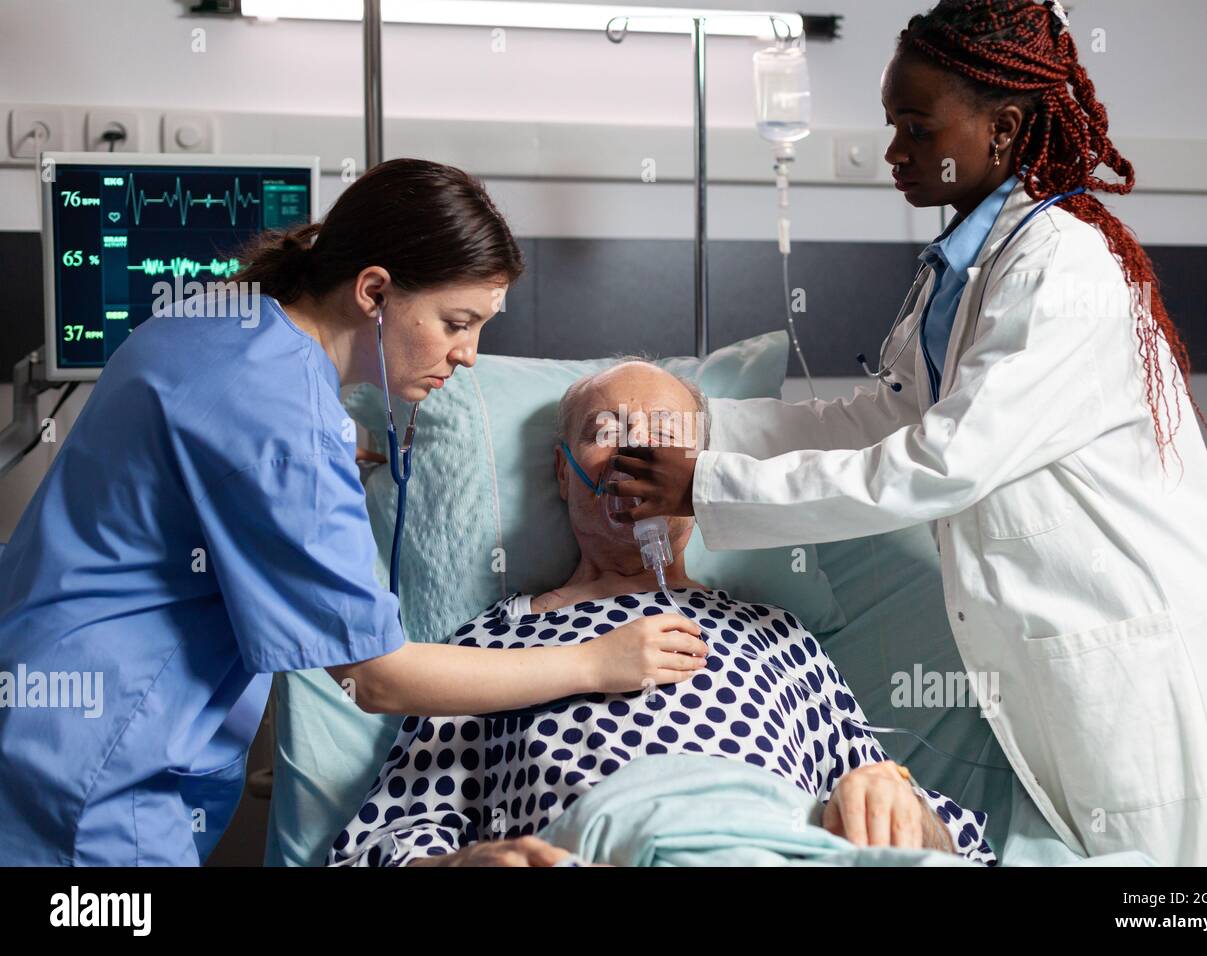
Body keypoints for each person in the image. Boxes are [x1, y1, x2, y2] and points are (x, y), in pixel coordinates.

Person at [604, 0, 1207, 865]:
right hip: (1068, 655)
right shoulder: (962, 271)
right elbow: (877, 419)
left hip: (1137, 646)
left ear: (1002, 129)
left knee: (1181, 898)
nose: (893, 151)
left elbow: (940, 463)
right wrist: (702, 424)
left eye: (916, 128)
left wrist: (704, 487)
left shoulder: (1062, 269)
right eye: (892, 124)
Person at [0, 159, 699, 866]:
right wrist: (594, 662)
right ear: (374, 292)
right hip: (94, 786)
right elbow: (375, 677)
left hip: (39, 721)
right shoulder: (287, 426)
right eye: (457, 322)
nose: (469, 356)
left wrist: (317, 465)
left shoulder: (215, 330)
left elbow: (226, 459)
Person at [328, 361, 995, 867]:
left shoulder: (777, 636)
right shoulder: (489, 645)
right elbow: (390, 834)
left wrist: (895, 797)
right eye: (605, 431)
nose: (633, 451)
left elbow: (929, 833)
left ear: (702, 474)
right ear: (564, 476)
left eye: (665, 435)